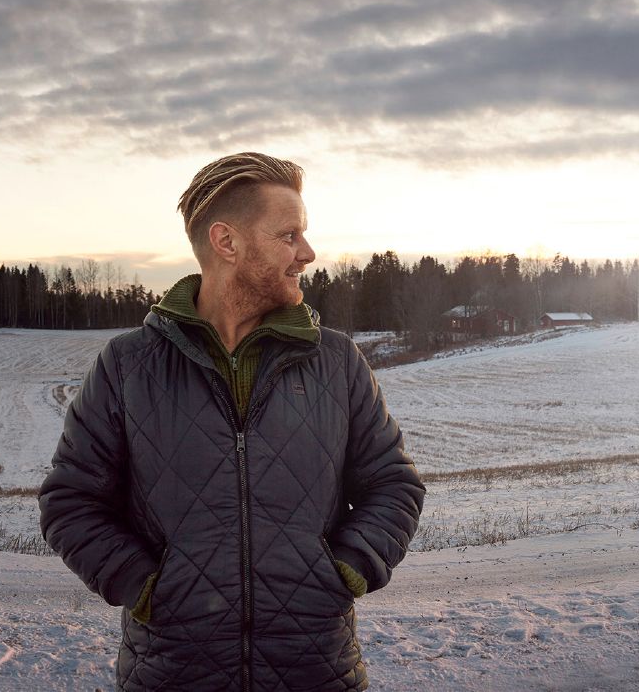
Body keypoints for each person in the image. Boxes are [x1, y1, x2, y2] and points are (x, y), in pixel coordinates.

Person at [38, 152, 424, 691]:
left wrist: (345, 570)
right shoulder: (128, 366)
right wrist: (146, 586)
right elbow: (70, 501)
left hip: (315, 670)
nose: (308, 254)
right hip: (171, 674)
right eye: (289, 235)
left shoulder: (337, 362)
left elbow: (393, 484)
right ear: (226, 242)